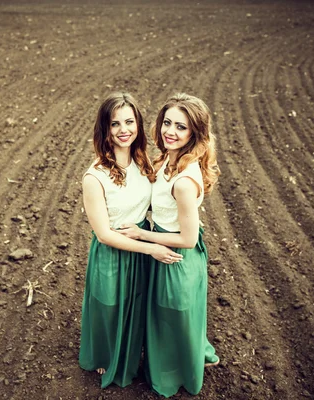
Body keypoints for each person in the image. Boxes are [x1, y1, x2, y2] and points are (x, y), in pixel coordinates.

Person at [78, 92, 183, 389]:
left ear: (138, 123)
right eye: (115, 124)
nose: (124, 129)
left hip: (141, 247)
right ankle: (105, 356)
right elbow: (104, 234)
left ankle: (136, 351)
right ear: (105, 129)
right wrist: (152, 247)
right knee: (109, 307)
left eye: (129, 121)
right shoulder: (94, 177)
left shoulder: (143, 162)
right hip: (114, 251)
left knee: (137, 306)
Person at [119, 93, 220, 397]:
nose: (170, 132)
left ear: (195, 134)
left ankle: (176, 375)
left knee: (172, 314)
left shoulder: (184, 182)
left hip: (176, 255)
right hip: (166, 243)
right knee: (172, 314)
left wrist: (142, 234)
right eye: (167, 123)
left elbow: (187, 239)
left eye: (181, 127)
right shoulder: (167, 159)